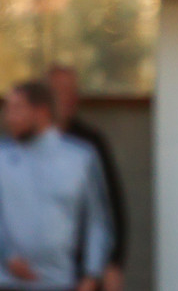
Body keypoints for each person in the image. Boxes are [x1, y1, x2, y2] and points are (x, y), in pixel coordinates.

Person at [0, 81, 112, 291]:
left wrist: (92, 275)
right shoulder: (2, 157)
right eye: (8, 109)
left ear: (41, 112)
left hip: (60, 282)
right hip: (7, 282)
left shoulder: (80, 158)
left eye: (17, 109)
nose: (9, 117)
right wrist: (6, 254)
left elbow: (97, 221)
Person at [46, 67, 127, 291]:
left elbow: (111, 203)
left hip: (84, 266)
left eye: (73, 91)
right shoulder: (20, 146)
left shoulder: (90, 142)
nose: (68, 98)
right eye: (60, 91)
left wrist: (114, 261)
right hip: (34, 269)